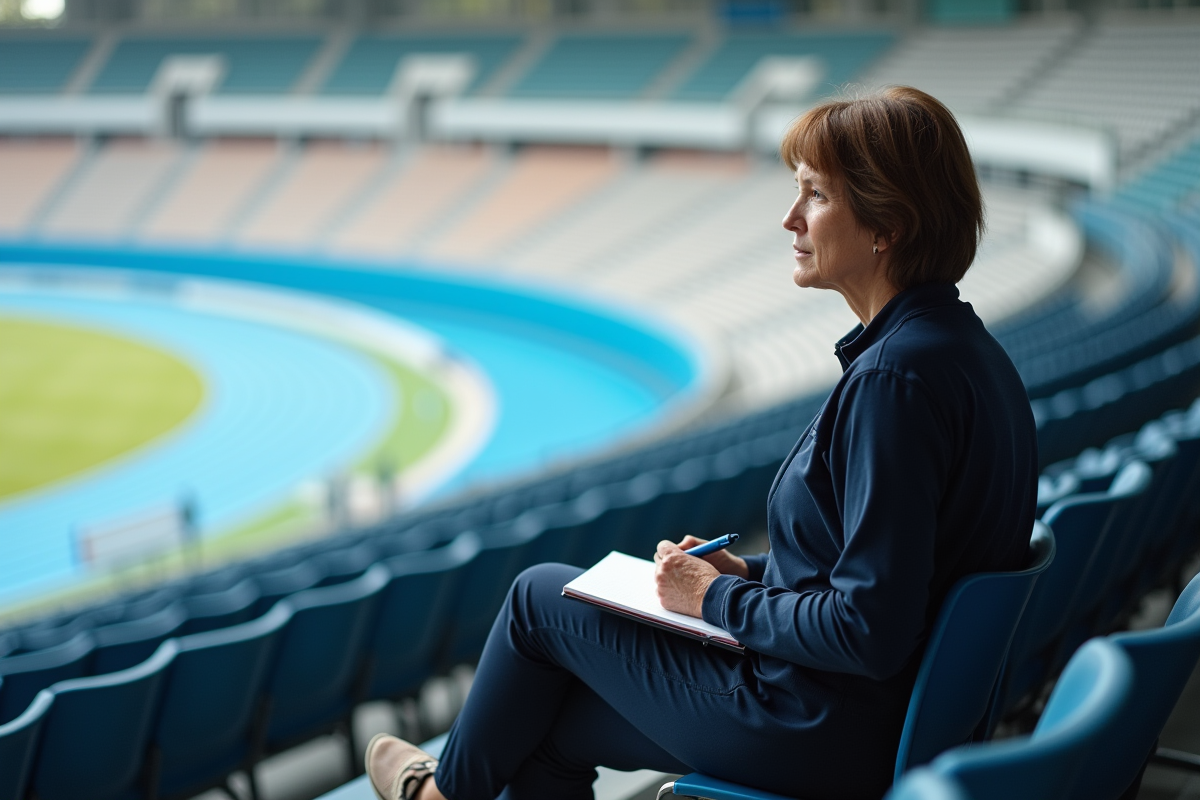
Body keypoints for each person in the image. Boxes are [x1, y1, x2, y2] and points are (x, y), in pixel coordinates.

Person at [364, 86, 1039, 800]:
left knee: (538, 597)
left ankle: (439, 796)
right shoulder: (967, 355)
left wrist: (714, 600)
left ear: (888, 225)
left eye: (814, 196)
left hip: (820, 724)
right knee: (549, 727)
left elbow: (869, 628)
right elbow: (887, 566)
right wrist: (749, 574)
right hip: (874, 719)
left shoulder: (893, 383)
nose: (789, 218)